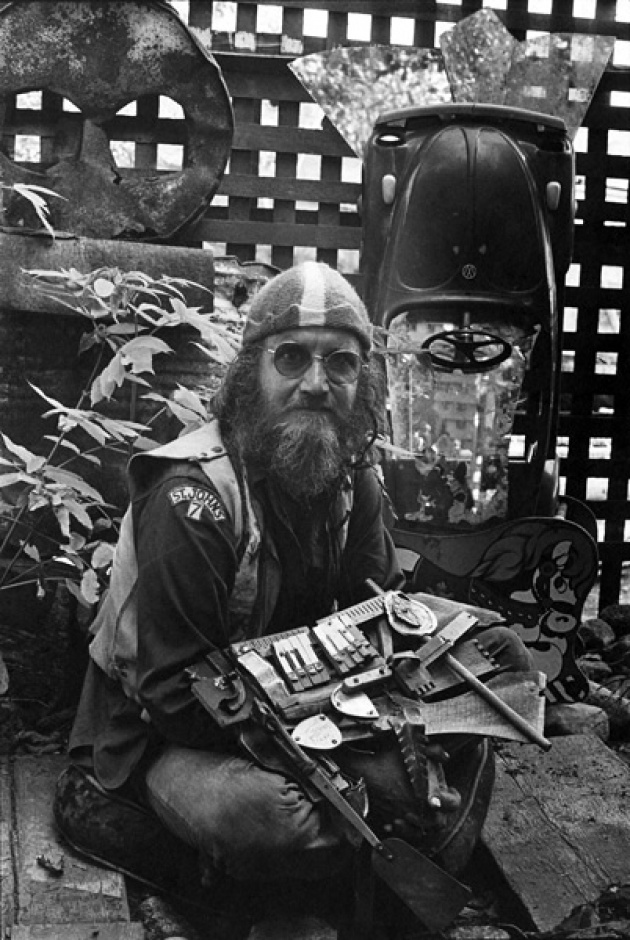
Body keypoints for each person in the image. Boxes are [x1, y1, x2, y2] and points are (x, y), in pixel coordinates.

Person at [54, 261, 534, 938]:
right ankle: (352, 872)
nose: (315, 383)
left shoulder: (351, 480)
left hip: (317, 706)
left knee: (499, 659)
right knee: (273, 818)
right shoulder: (191, 499)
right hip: (164, 741)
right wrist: (350, 764)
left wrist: (413, 691)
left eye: (340, 363)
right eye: (292, 358)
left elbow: (378, 623)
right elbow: (173, 696)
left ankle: (352, 865)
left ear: (363, 381)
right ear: (252, 373)